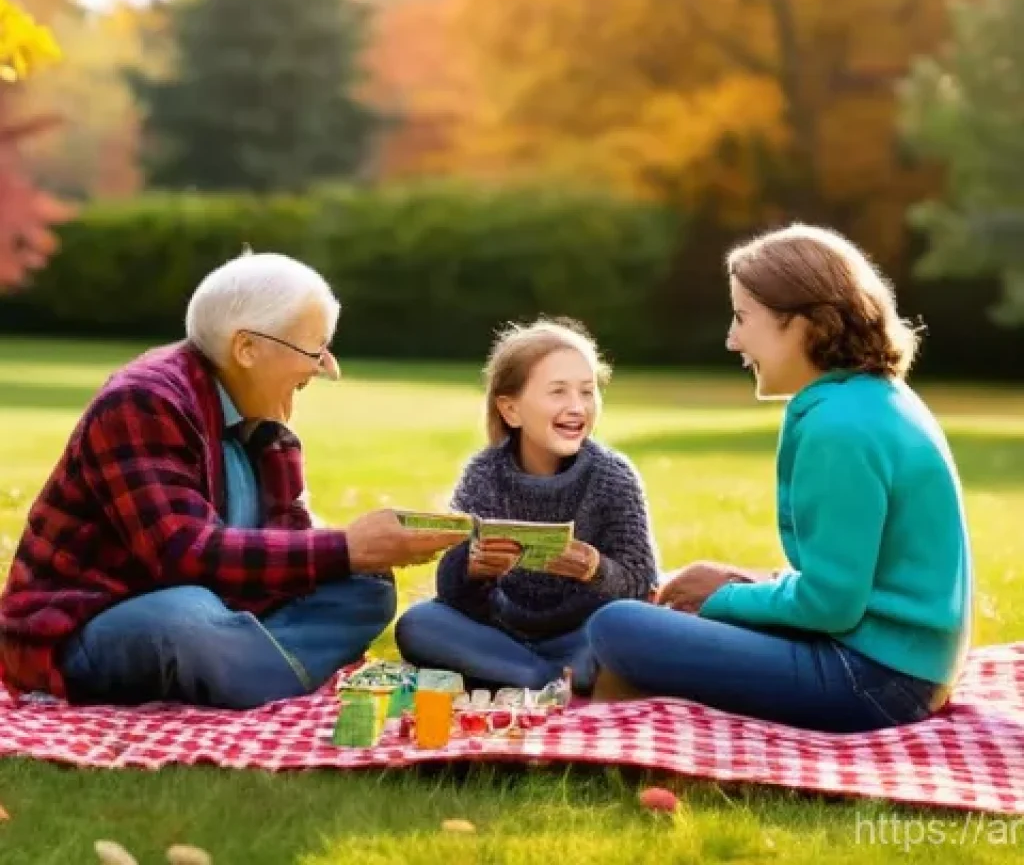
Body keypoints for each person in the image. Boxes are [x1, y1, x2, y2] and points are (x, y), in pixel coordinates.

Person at [0, 252, 464, 709]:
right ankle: (258, 674)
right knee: (186, 619)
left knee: (367, 586)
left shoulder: (263, 419)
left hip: (224, 606)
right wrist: (348, 546)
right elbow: (182, 553)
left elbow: (287, 544)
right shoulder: (144, 401)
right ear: (247, 349)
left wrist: (359, 555)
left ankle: (240, 674)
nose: (326, 367)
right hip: (94, 623)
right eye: (314, 348)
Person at [586, 224, 973, 732]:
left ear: (803, 324)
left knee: (616, 625)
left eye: (743, 317)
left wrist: (719, 597)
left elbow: (831, 605)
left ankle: (596, 719)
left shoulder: (841, 427)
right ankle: (608, 708)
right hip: (899, 664)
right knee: (669, 602)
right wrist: (737, 583)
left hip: (875, 681)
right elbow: (848, 582)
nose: (731, 338)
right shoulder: (873, 398)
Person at [395, 317, 660, 692]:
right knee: (419, 623)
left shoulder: (614, 476)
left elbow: (641, 583)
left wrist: (595, 569)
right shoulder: (483, 474)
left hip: (582, 633)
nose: (577, 407)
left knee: (626, 625)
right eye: (558, 392)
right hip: (500, 634)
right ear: (511, 410)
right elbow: (453, 596)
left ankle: (529, 677)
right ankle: (548, 679)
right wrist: (471, 567)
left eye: (587, 392)